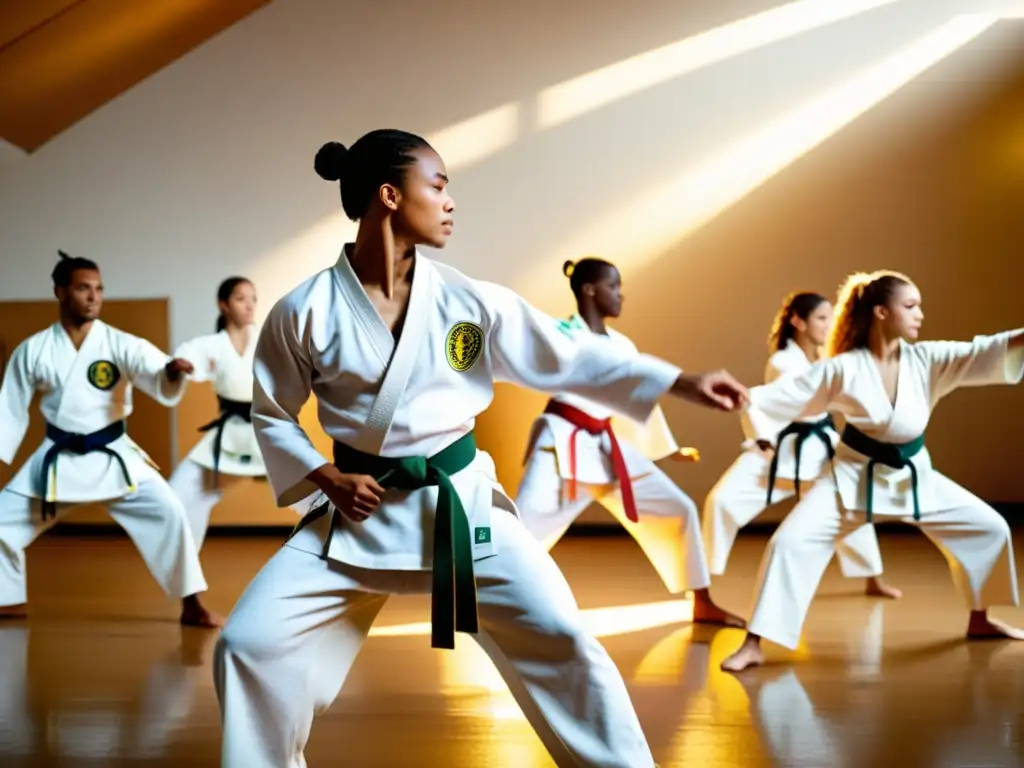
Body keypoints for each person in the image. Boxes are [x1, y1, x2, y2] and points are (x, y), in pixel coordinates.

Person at [212, 130, 749, 768]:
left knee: (565, 637)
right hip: (354, 517)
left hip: (463, 511)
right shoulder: (304, 310)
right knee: (246, 643)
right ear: (390, 196)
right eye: (437, 186)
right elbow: (272, 414)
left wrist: (679, 381)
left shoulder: (468, 299)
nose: (449, 202)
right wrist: (326, 475)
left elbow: (569, 355)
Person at [720, 270, 1023, 673]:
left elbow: (985, 350)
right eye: (910, 306)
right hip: (852, 476)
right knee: (788, 543)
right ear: (881, 312)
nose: (920, 315)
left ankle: (981, 618)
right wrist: (740, 396)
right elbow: (786, 395)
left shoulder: (926, 359)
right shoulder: (844, 368)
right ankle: (754, 642)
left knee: (989, 527)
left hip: (914, 476)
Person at [515, 257, 743, 626]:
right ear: (590, 290)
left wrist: (668, 449)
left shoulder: (622, 343)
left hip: (608, 447)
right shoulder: (563, 334)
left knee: (679, 509)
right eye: (614, 286)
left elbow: (634, 394)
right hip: (563, 446)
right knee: (519, 527)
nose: (621, 295)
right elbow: (609, 372)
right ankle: (479, 600)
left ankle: (702, 601)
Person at [0, 252, 219, 627]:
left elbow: (154, 367)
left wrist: (171, 370)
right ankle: (7, 599)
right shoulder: (34, 349)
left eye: (99, 289)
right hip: (58, 458)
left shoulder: (119, 343)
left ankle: (192, 604)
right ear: (60, 292)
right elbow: (10, 408)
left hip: (115, 456)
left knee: (171, 512)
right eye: (84, 288)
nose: (94, 297)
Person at [703, 290, 900, 598]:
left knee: (851, 504)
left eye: (829, 319)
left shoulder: (827, 358)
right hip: (786, 448)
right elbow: (775, 399)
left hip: (822, 450)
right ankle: (705, 585)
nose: (827, 325)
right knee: (723, 501)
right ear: (798, 321)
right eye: (821, 318)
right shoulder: (783, 361)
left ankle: (872, 578)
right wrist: (763, 439)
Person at [169, 277, 264, 547]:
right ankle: (188, 573)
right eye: (240, 298)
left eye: (253, 298)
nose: (249, 305)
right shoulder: (212, 344)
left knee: (315, 492)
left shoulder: (266, 338)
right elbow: (189, 356)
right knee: (179, 494)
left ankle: (343, 553)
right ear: (223, 305)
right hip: (229, 432)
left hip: (268, 431)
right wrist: (180, 364)